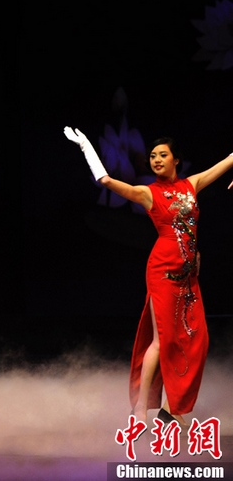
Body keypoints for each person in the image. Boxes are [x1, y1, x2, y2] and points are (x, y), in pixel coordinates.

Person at [64, 127, 233, 427]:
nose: (156, 160)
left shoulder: (192, 184)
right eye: (153, 156)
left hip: (187, 275)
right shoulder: (148, 192)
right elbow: (105, 181)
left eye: (162, 155)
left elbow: (228, 160)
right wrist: (86, 147)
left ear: (176, 160)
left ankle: (170, 409)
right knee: (161, 340)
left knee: (199, 340)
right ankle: (141, 408)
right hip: (162, 270)